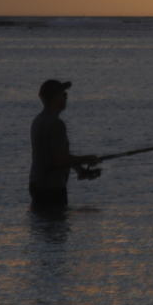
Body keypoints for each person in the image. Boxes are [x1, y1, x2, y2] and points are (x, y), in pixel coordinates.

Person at [29, 79, 99, 211]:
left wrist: (80, 170)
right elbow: (59, 159)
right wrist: (87, 158)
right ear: (55, 98)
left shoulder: (38, 121)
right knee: (57, 228)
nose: (66, 98)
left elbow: (53, 155)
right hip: (52, 188)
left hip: (37, 184)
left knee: (43, 225)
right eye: (64, 95)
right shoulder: (56, 124)